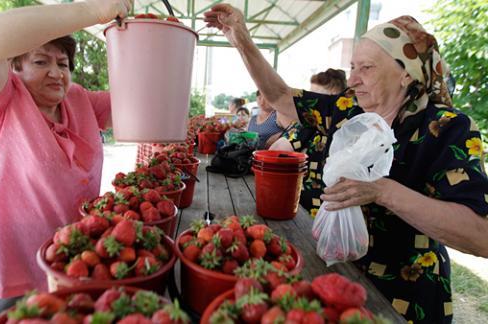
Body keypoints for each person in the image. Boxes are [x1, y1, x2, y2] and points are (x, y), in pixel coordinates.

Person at [205, 5, 488, 323]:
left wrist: (382, 191)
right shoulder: (347, 110)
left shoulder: (446, 128)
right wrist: (240, 37)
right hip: (333, 277)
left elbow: (480, 233)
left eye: (366, 68)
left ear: (406, 74)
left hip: (401, 296)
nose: (352, 80)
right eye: (352, 67)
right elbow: (280, 94)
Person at [0, 0, 132, 322]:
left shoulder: (79, 99)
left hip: (70, 267)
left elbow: (142, 102)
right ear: (14, 69)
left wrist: (135, 40)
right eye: (40, 61)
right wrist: (93, 11)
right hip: (5, 274)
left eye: (63, 64)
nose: (56, 72)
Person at [270, 68, 348, 212]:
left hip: (317, 212)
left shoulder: (310, 126)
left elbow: (276, 151)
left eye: (317, 97)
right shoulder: (310, 125)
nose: (310, 103)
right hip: (306, 206)